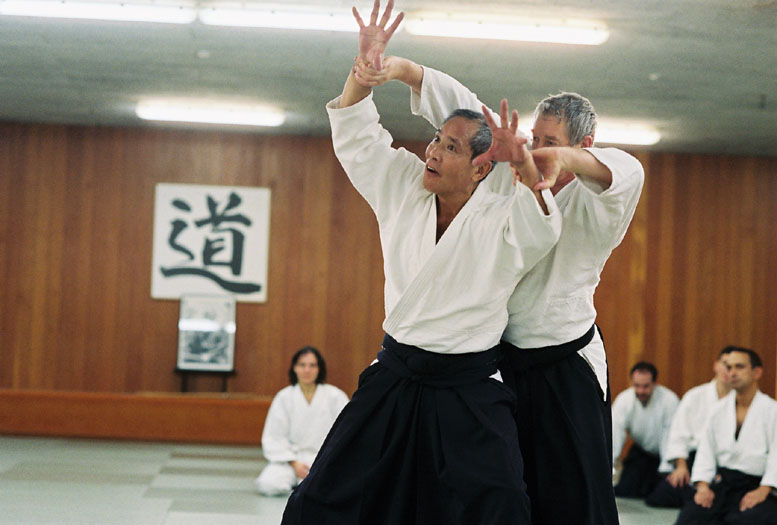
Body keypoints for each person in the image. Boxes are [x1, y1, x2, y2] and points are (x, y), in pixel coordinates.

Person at [282, 2, 563, 524]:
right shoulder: (404, 186)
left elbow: (542, 221)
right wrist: (365, 74)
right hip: (396, 374)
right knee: (321, 498)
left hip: (469, 387)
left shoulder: (503, 219)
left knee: (501, 502)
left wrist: (523, 161)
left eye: (450, 147)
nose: (432, 152)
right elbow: (359, 138)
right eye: (436, 139)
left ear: (481, 168)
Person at [353, 55, 644, 524]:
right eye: (535, 138)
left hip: (562, 362)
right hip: (497, 360)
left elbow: (624, 170)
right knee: (503, 495)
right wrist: (404, 70)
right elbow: (468, 118)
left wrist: (556, 160)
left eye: (552, 143)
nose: (538, 149)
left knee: (573, 495)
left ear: (584, 145)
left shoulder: (605, 196)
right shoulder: (510, 175)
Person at [675, 348, 777, 525]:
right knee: (690, 517)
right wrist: (703, 487)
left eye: (739, 367)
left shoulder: (772, 410)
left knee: (750, 519)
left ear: (757, 372)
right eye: (729, 367)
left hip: (757, 485)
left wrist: (763, 489)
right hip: (723, 485)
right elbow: (706, 451)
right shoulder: (718, 409)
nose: (732, 373)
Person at [645, 346, 735, 507]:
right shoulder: (695, 396)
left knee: (719, 498)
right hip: (693, 459)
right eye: (725, 364)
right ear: (716, 365)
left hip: (724, 463)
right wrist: (681, 466)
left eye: (734, 367)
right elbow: (678, 434)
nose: (728, 370)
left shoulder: (740, 402)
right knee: (660, 496)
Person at [255, 346, 349, 496]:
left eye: (312, 365)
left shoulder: (335, 396)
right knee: (268, 483)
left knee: (339, 485)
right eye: (302, 365)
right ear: (294, 368)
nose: (307, 370)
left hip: (324, 459)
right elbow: (274, 436)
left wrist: (325, 461)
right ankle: (301, 487)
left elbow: (345, 433)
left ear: (319, 369)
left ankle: (305, 487)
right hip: (292, 459)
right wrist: (294, 463)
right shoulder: (284, 397)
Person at [612, 361, 679, 498]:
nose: (641, 391)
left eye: (646, 386)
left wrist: (666, 470)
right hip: (641, 453)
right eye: (637, 386)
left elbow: (670, 437)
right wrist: (609, 466)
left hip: (666, 457)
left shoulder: (669, 401)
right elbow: (615, 436)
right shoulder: (624, 401)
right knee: (625, 490)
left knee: (659, 495)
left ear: (655, 383)